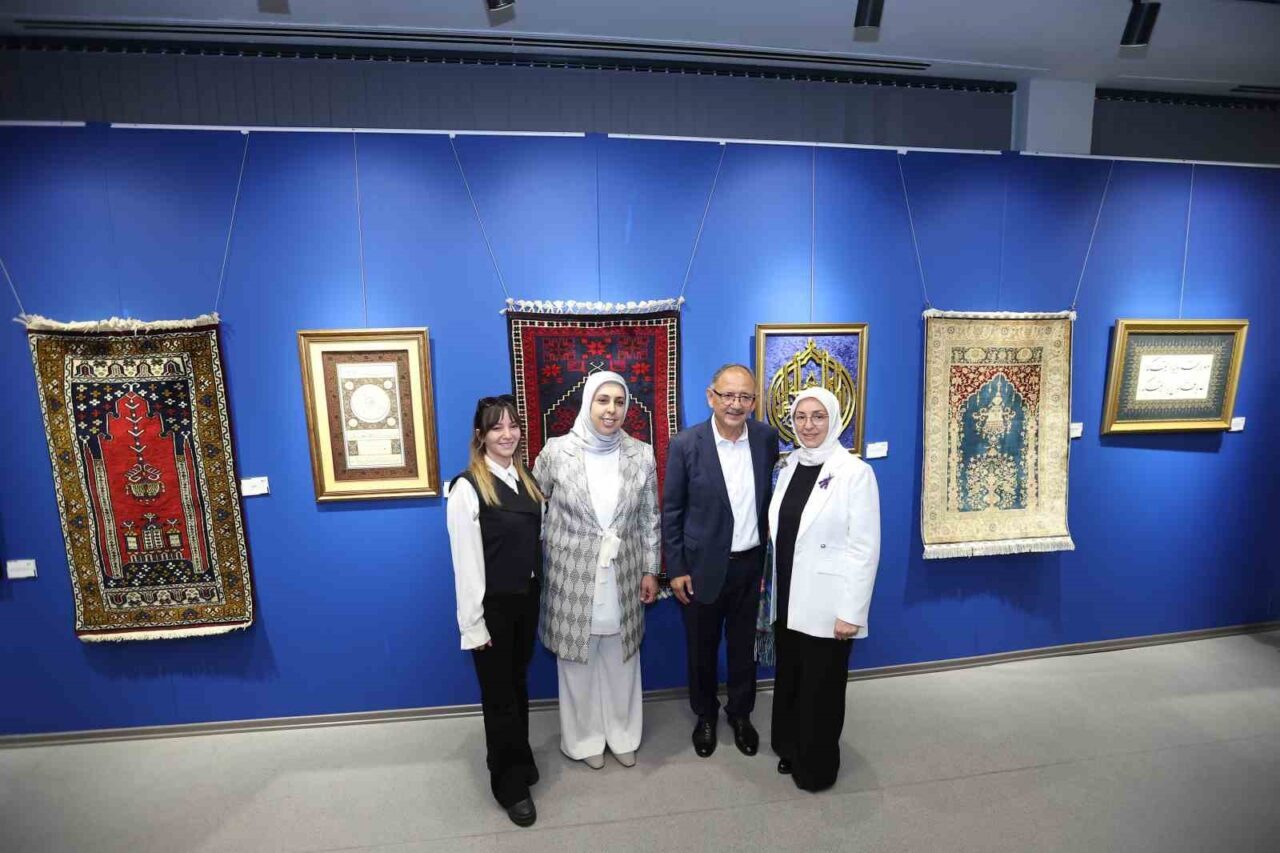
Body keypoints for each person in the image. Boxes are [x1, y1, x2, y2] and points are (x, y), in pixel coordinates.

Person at [533, 371, 661, 770]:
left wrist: (651, 570)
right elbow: (535, 506)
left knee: (622, 658)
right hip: (571, 574)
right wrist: (546, 553)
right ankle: (584, 739)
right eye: (603, 400)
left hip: (624, 573)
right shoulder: (556, 452)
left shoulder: (642, 454)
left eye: (619, 402)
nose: (611, 410)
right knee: (578, 660)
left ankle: (623, 733)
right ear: (587, 402)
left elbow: (649, 518)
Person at [766, 387, 880, 792]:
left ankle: (816, 767)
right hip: (788, 596)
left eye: (818, 417)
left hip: (830, 604)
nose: (808, 425)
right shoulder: (789, 466)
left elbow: (865, 548)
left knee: (822, 687)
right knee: (792, 677)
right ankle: (790, 746)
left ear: (834, 420)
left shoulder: (855, 473)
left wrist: (852, 612)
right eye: (801, 417)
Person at [663, 364, 779, 758]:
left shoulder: (766, 439)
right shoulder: (686, 444)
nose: (735, 404)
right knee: (702, 649)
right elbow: (672, 511)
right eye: (728, 395)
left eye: (745, 396)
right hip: (700, 569)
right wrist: (676, 569)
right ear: (711, 397)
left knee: (744, 648)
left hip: (752, 567)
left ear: (754, 402)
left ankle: (741, 714)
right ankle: (706, 715)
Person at [446, 395, 546, 827]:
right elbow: (465, 564)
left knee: (517, 686)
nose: (507, 434)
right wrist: (473, 624)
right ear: (480, 435)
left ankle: (517, 757)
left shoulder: (527, 479)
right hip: (493, 609)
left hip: (526, 600)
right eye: (496, 427)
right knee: (499, 695)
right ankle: (509, 784)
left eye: (513, 426)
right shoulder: (467, 488)